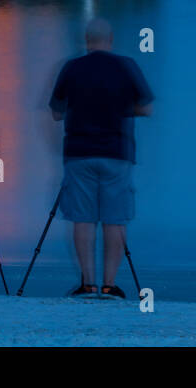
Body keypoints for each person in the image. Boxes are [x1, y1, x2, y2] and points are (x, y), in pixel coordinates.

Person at [49, 18, 154, 299]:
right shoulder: (126, 66)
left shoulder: (72, 68)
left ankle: (86, 283)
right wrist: (120, 109)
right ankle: (108, 284)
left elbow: (57, 112)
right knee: (114, 219)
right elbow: (147, 108)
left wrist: (80, 108)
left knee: (82, 220)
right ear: (111, 40)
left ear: (86, 40)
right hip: (116, 153)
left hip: (79, 152)